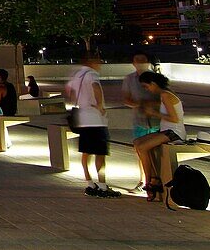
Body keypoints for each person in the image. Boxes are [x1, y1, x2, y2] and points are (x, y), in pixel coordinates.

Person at [65, 51, 120, 198]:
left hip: (82, 120)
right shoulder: (92, 74)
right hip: (95, 120)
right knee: (100, 154)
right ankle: (102, 186)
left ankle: (89, 184)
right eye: (98, 60)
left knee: (86, 153)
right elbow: (95, 87)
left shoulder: (78, 74)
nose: (100, 63)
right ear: (92, 61)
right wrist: (100, 106)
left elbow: (69, 90)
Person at [133, 71, 187, 201]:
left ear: (153, 83)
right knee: (137, 143)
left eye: (147, 87)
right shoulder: (165, 94)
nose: (147, 90)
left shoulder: (165, 95)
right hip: (167, 131)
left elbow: (174, 118)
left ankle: (150, 181)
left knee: (142, 147)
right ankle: (154, 178)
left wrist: (155, 114)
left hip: (174, 132)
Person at [121, 50, 159, 190]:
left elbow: (165, 98)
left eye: (143, 60)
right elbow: (126, 98)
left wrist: (150, 106)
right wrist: (140, 104)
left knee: (156, 151)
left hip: (156, 121)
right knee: (140, 150)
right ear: (133, 63)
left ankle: (156, 178)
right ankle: (143, 180)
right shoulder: (129, 79)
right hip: (139, 120)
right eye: (138, 60)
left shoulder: (157, 77)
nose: (140, 63)